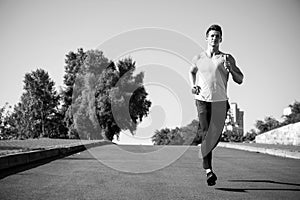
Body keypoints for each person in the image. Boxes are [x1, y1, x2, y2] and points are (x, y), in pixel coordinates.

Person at [189, 24, 244, 186]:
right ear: (207, 38)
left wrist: (231, 69)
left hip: (220, 101)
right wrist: (193, 85)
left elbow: (240, 79)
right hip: (202, 100)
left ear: (221, 39)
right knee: (206, 133)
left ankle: (204, 149)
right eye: (212, 35)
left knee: (215, 135)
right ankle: (208, 171)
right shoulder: (198, 57)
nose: (214, 38)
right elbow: (192, 71)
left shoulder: (227, 58)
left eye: (217, 36)